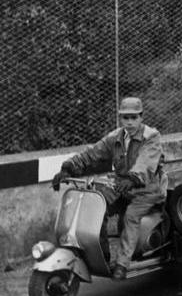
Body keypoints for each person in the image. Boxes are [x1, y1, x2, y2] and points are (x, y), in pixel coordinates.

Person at [51, 97, 167, 281]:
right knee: (97, 207)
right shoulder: (115, 137)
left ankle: (122, 263)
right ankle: (102, 256)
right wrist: (68, 168)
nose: (129, 122)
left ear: (141, 117)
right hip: (123, 186)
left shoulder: (151, 137)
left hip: (147, 190)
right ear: (120, 118)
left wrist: (134, 178)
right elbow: (92, 153)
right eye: (125, 118)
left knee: (130, 216)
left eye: (133, 117)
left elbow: (145, 162)